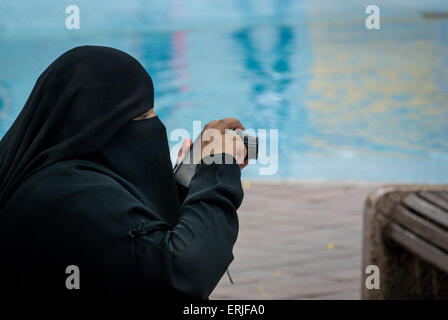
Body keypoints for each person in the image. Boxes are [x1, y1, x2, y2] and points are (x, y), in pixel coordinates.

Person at [0, 45, 247, 298]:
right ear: (99, 130)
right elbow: (181, 273)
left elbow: (130, 240)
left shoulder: (50, 179)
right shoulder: (73, 196)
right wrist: (218, 168)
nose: (154, 125)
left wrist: (187, 179)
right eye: (142, 117)